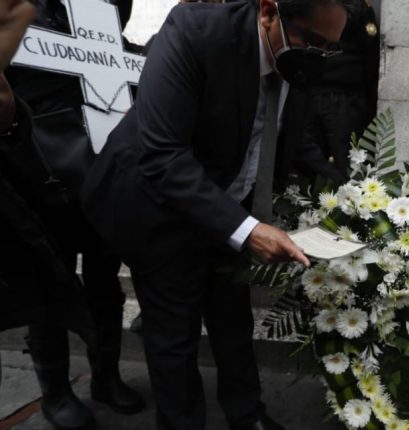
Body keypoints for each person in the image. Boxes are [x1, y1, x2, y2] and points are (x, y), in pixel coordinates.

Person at [80, 0, 351, 429]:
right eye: (312, 41)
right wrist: (248, 230)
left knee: (232, 318)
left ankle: (247, 415)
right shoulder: (194, 33)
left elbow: (294, 139)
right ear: (269, 12)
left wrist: (352, 196)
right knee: (174, 333)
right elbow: (163, 155)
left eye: (329, 48)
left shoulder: (298, 62)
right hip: (156, 205)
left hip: (228, 207)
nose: (318, 55)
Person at [5, 1, 147, 428]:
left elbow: (116, 47)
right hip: (39, 172)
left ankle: (106, 377)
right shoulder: (21, 14)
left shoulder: (100, 8)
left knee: (106, 283)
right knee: (47, 289)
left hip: (100, 169)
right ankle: (56, 393)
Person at [0, 0, 94, 398]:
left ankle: (106, 375)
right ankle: (56, 391)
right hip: (32, 164)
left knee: (102, 275)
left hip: (91, 157)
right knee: (47, 278)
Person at [278, 0, 379, 183]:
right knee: (302, 154)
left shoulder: (354, 7)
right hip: (306, 89)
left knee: (345, 161)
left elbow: (370, 53)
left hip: (343, 96)